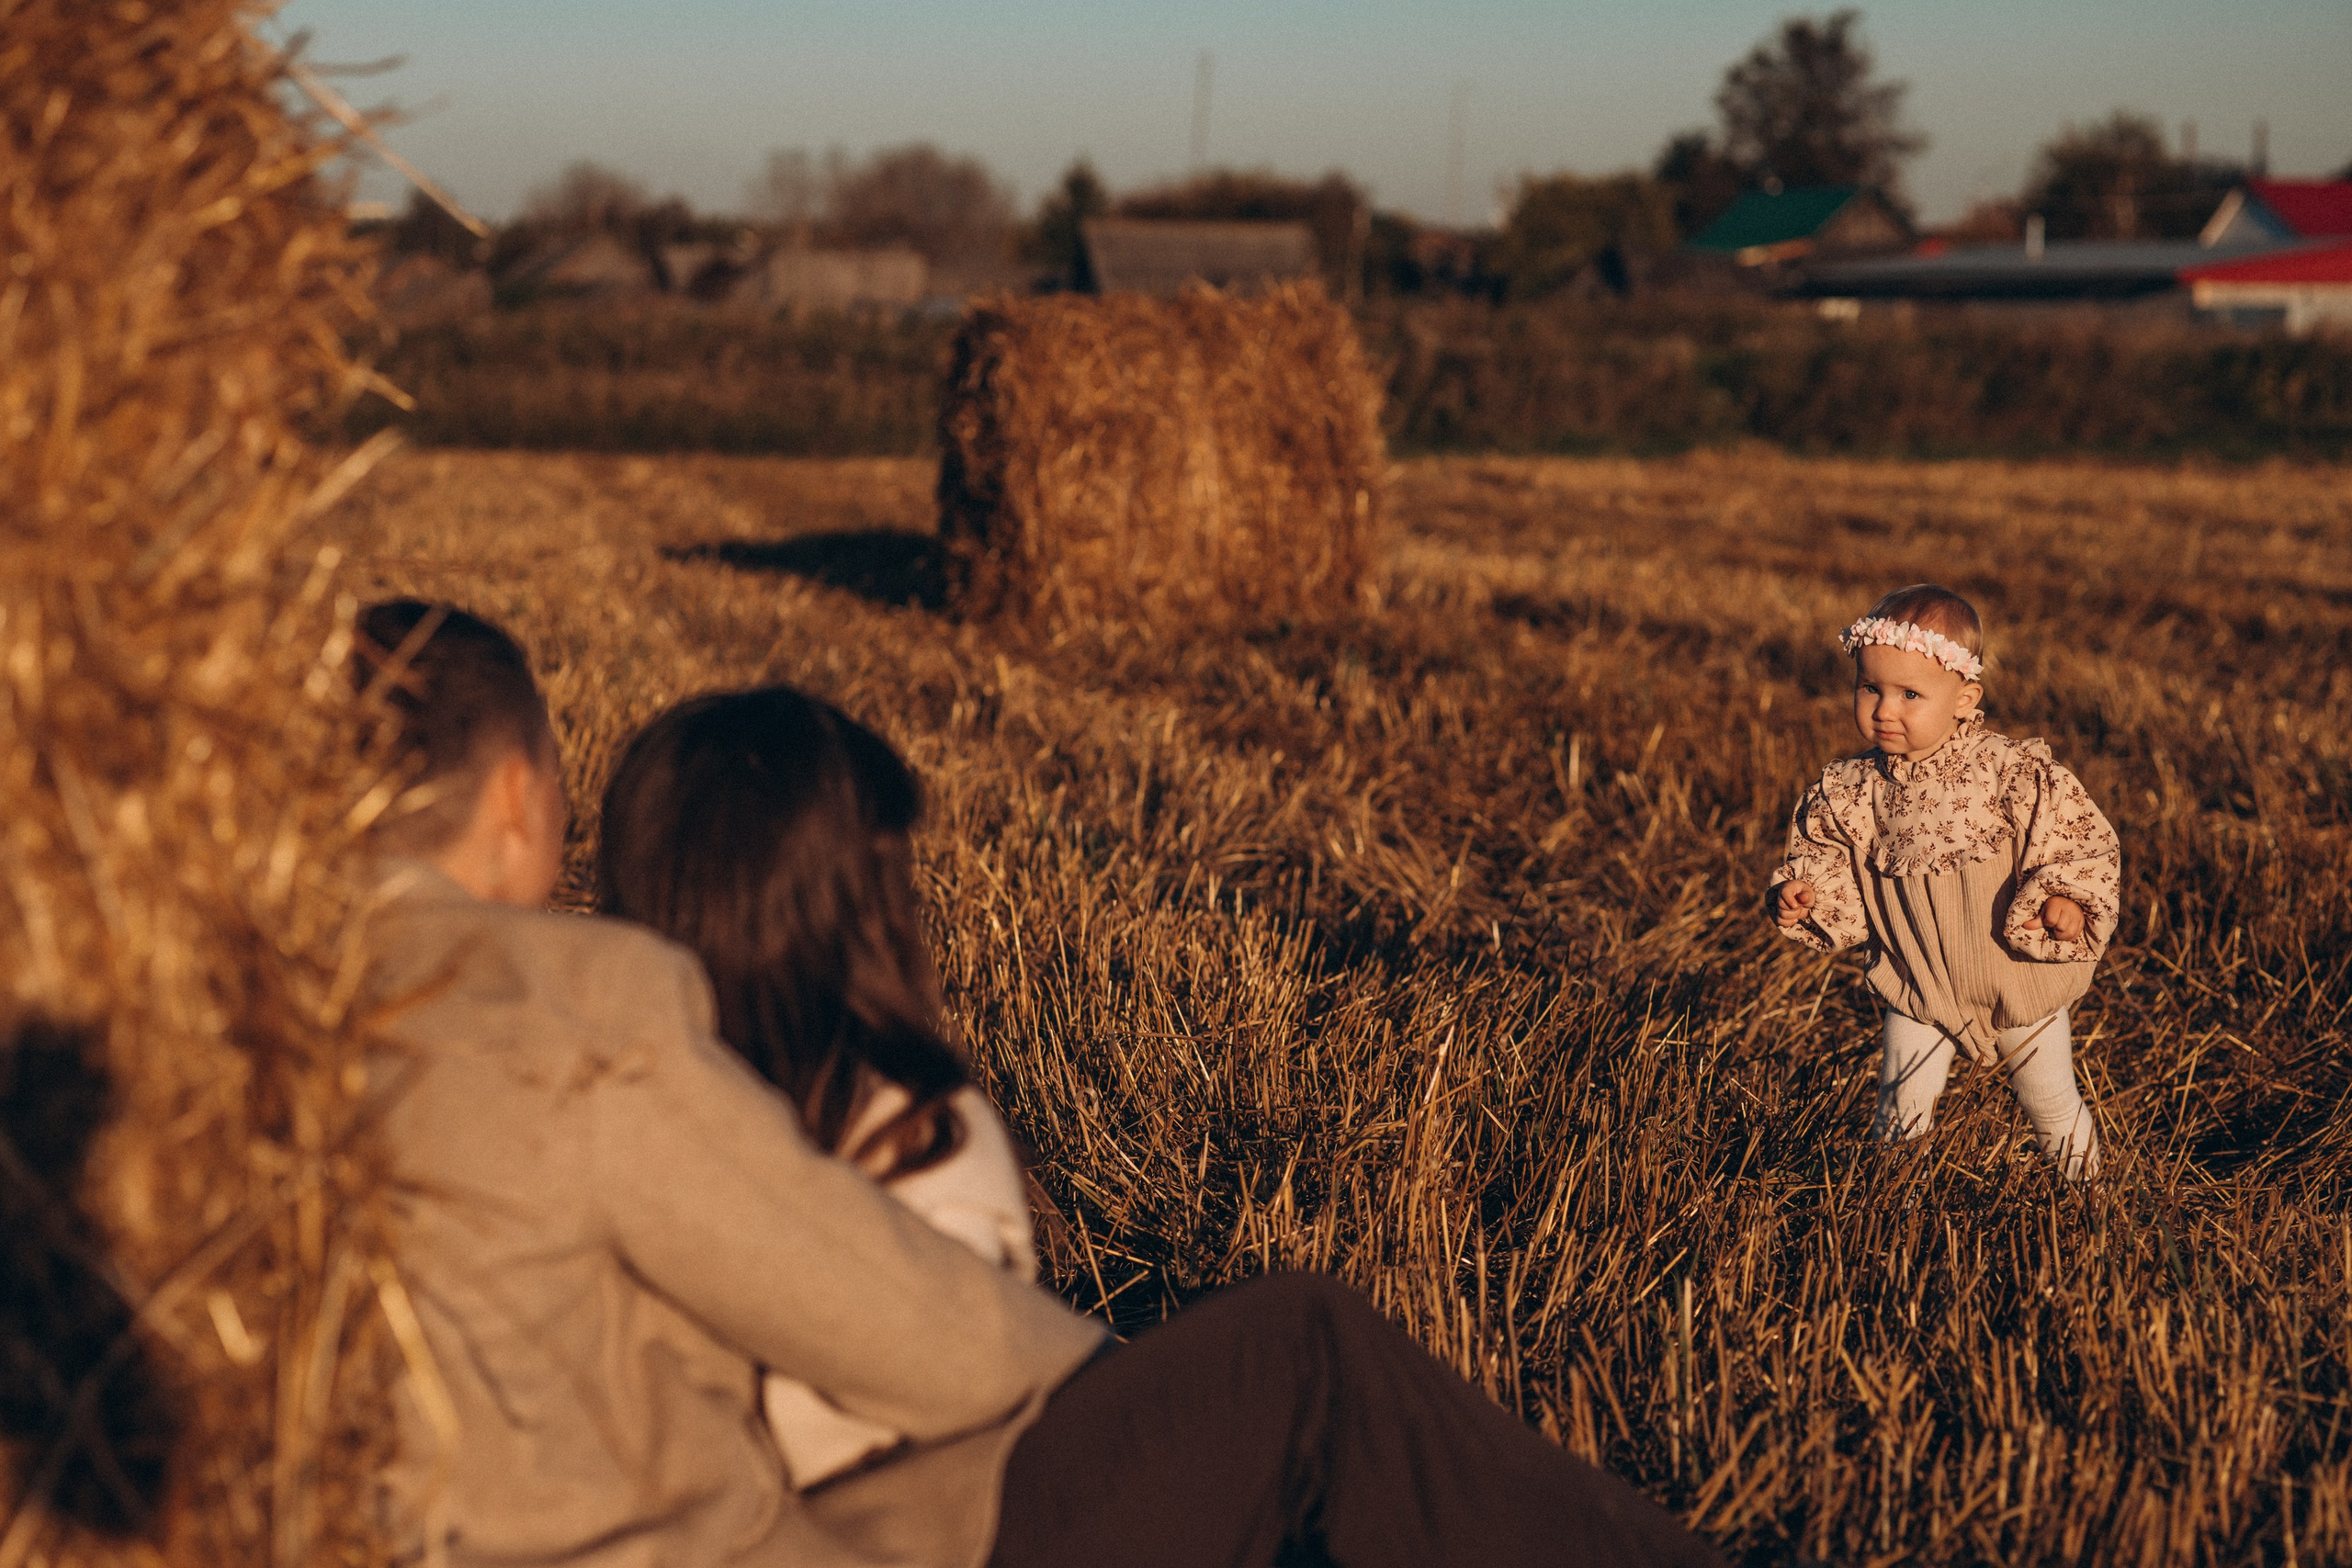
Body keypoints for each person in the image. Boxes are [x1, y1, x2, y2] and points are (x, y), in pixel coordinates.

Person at [358, 600, 1723, 1568]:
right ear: (523, 796)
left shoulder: (220, 1034)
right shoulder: (557, 1007)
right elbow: (919, 1333)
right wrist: (1136, 1394)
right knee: (1297, 1358)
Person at [1769, 585, 2120, 1178]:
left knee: (2050, 1103)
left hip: (2014, 978)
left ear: (1965, 698)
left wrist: (2065, 896)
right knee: (1900, 1107)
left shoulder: (2009, 771)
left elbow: (2075, 836)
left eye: (1910, 694)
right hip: (1918, 982)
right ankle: (1891, 1200)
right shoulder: (1851, 791)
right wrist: (1807, 897)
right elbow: (1827, 862)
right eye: (1870, 688)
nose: (1884, 709)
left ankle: (2092, 1193)